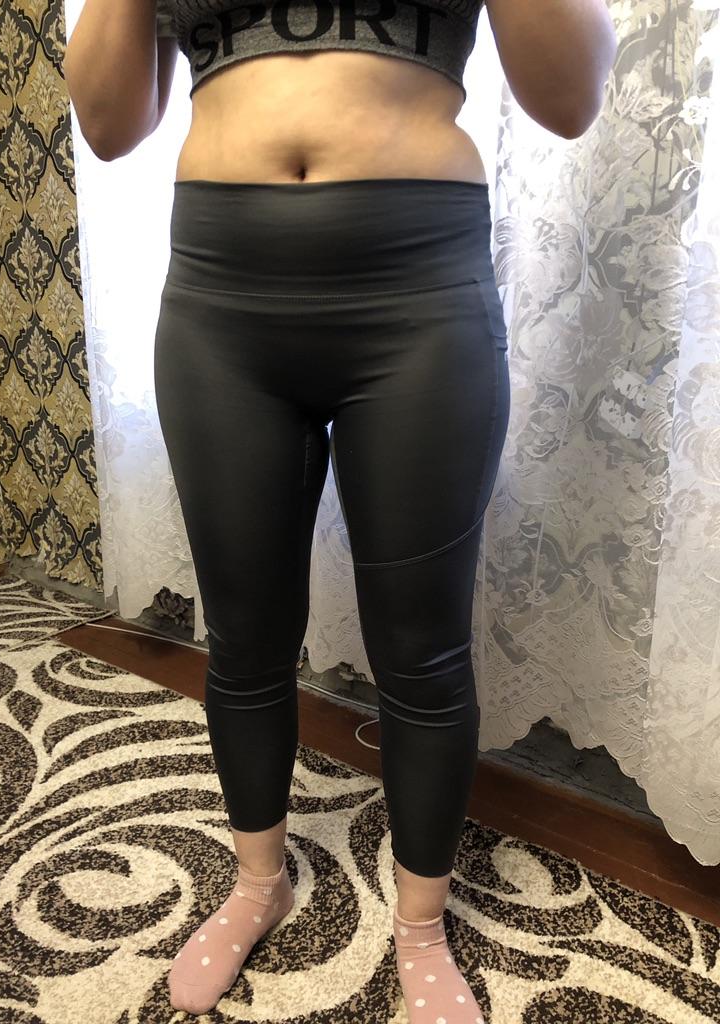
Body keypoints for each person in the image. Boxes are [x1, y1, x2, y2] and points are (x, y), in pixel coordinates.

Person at [63, 1, 617, 1019]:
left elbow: (572, 97)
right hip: (221, 301)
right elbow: (105, 125)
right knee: (245, 636)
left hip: (418, 295)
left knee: (423, 649)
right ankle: (257, 885)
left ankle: (421, 928)